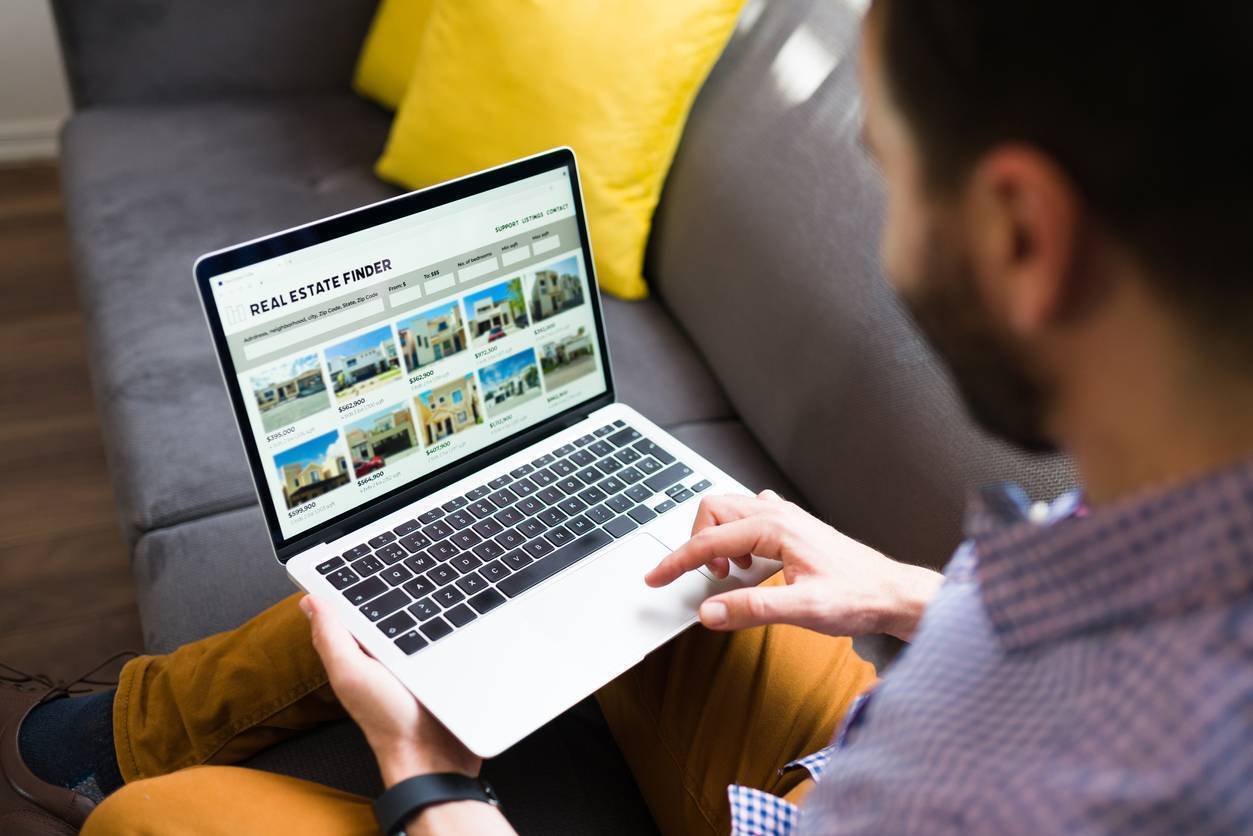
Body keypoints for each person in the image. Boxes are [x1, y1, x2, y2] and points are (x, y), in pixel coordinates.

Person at [5, 0, 1252, 832]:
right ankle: (137, 719)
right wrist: (907, 595)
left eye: (889, 167)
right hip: (866, 730)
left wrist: (424, 773)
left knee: (153, 824)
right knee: (503, 540)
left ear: (1023, 233)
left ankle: (123, 767)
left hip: (855, 796)